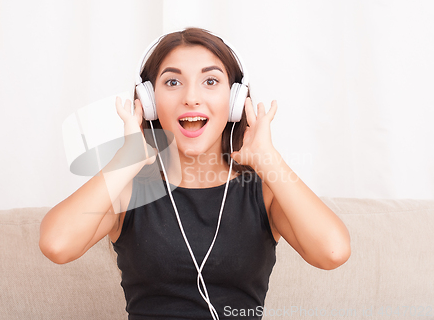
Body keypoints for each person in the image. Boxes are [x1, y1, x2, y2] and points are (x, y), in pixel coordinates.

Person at [39, 27, 351, 320]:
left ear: (235, 101)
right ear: (148, 102)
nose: (191, 97)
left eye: (210, 81)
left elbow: (333, 252)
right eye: (172, 82)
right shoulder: (128, 189)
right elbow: (57, 244)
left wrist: (270, 161)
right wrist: (127, 158)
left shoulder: (264, 191)